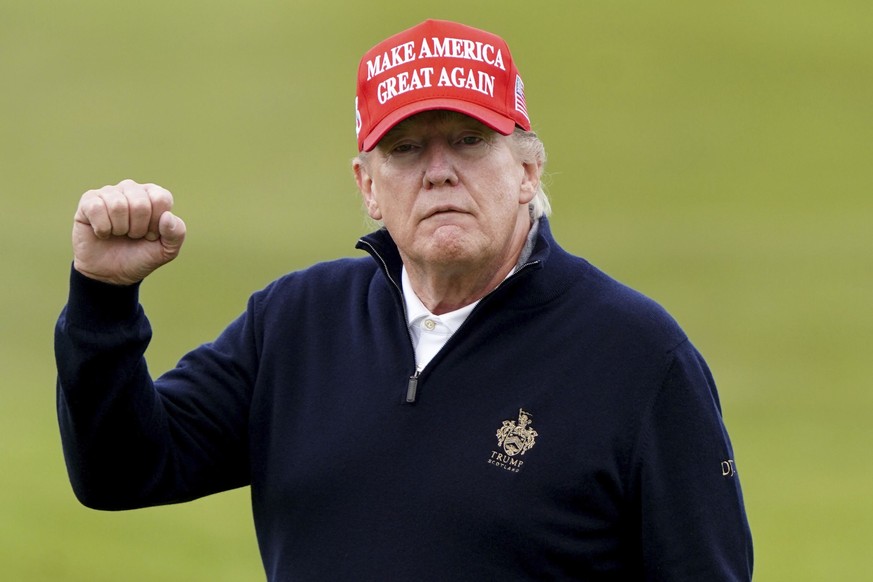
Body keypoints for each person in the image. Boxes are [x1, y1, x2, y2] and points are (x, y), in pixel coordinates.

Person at [55, 19, 753, 581]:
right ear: (366, 184)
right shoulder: (295, 323)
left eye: (470, 141)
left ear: (526, 170)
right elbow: (120, 470)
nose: (439, 172)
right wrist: (103, 300)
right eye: (406, 148)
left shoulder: (635, 355)